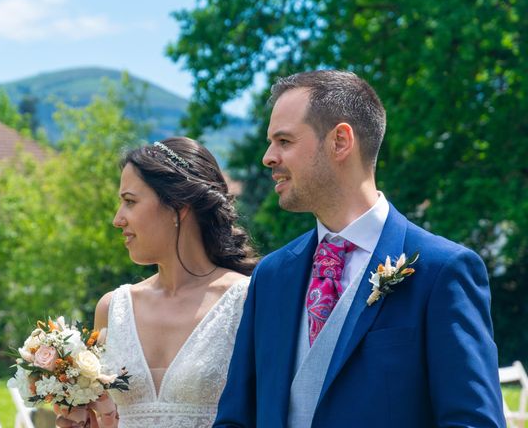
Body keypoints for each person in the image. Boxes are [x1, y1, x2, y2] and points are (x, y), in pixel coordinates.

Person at [214, 70, 505, 427]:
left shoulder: (442, 272)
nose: (268, 157)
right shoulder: (271, 276)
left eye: (284, 141)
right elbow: (236, 419)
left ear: (340, 141)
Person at [92, 137, 256, 427]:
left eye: (130, 202)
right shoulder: (112, 309)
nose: (118, 219)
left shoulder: (246, 301)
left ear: (179, 206)